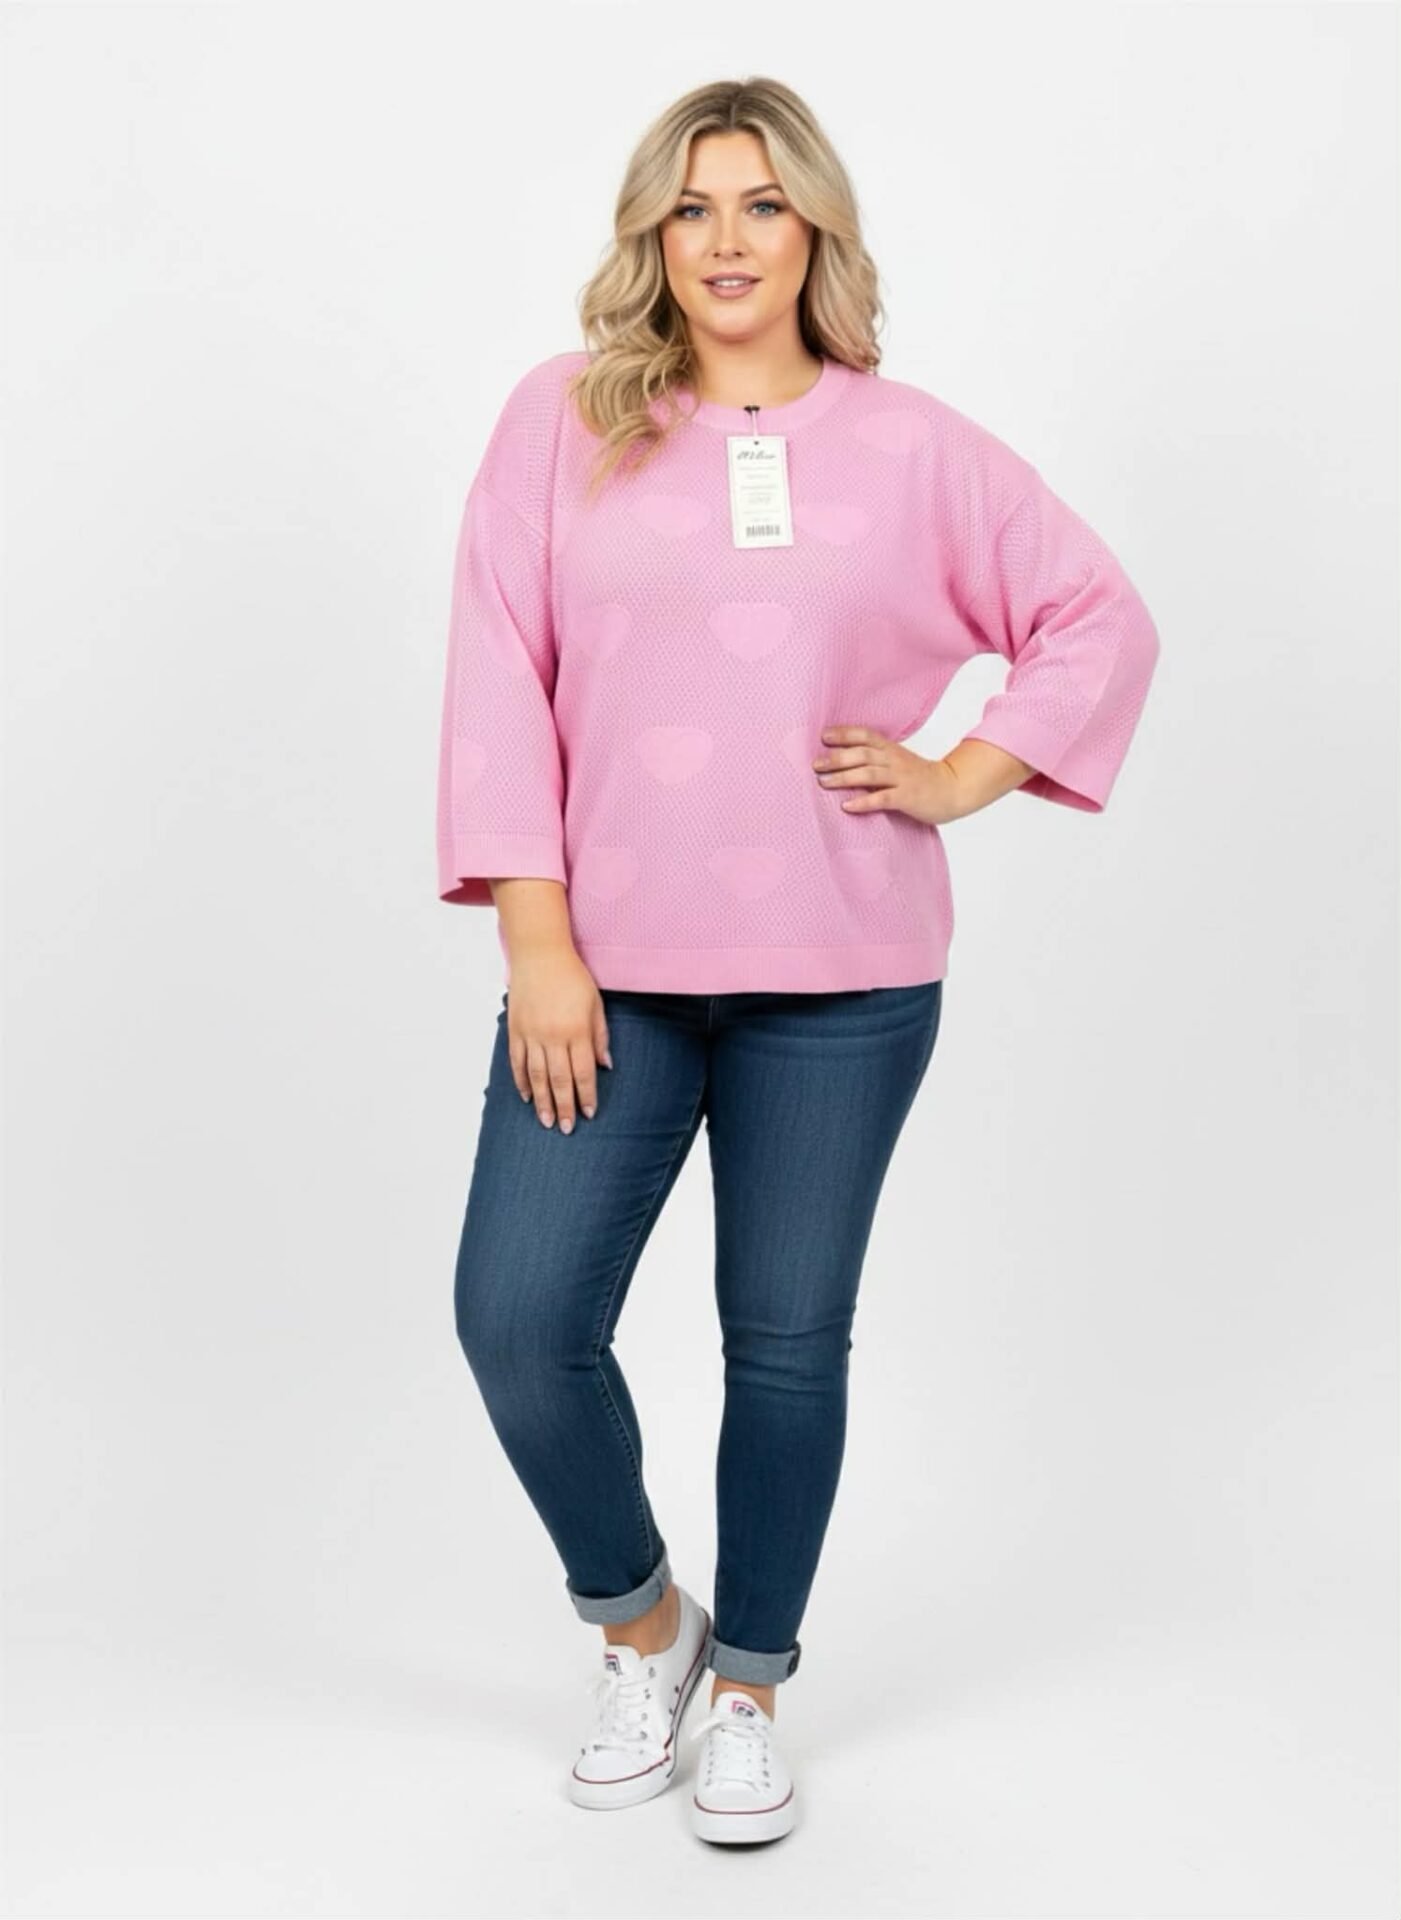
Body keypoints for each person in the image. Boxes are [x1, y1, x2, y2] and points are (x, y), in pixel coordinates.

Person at [435, 75, 1160, 1848]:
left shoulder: (914, 447)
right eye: (691, 207)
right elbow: (496, 667)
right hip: (604, 971)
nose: (727, 238)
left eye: (761, 203)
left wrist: (961, 773)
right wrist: (537, 933)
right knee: (518, 1321)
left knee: (783, 1343)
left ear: (815, 226)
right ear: (650, 235)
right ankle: (644, 1628)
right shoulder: (562, 419)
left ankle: (749, 1687)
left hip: (844, 976)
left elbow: (1095, 614)